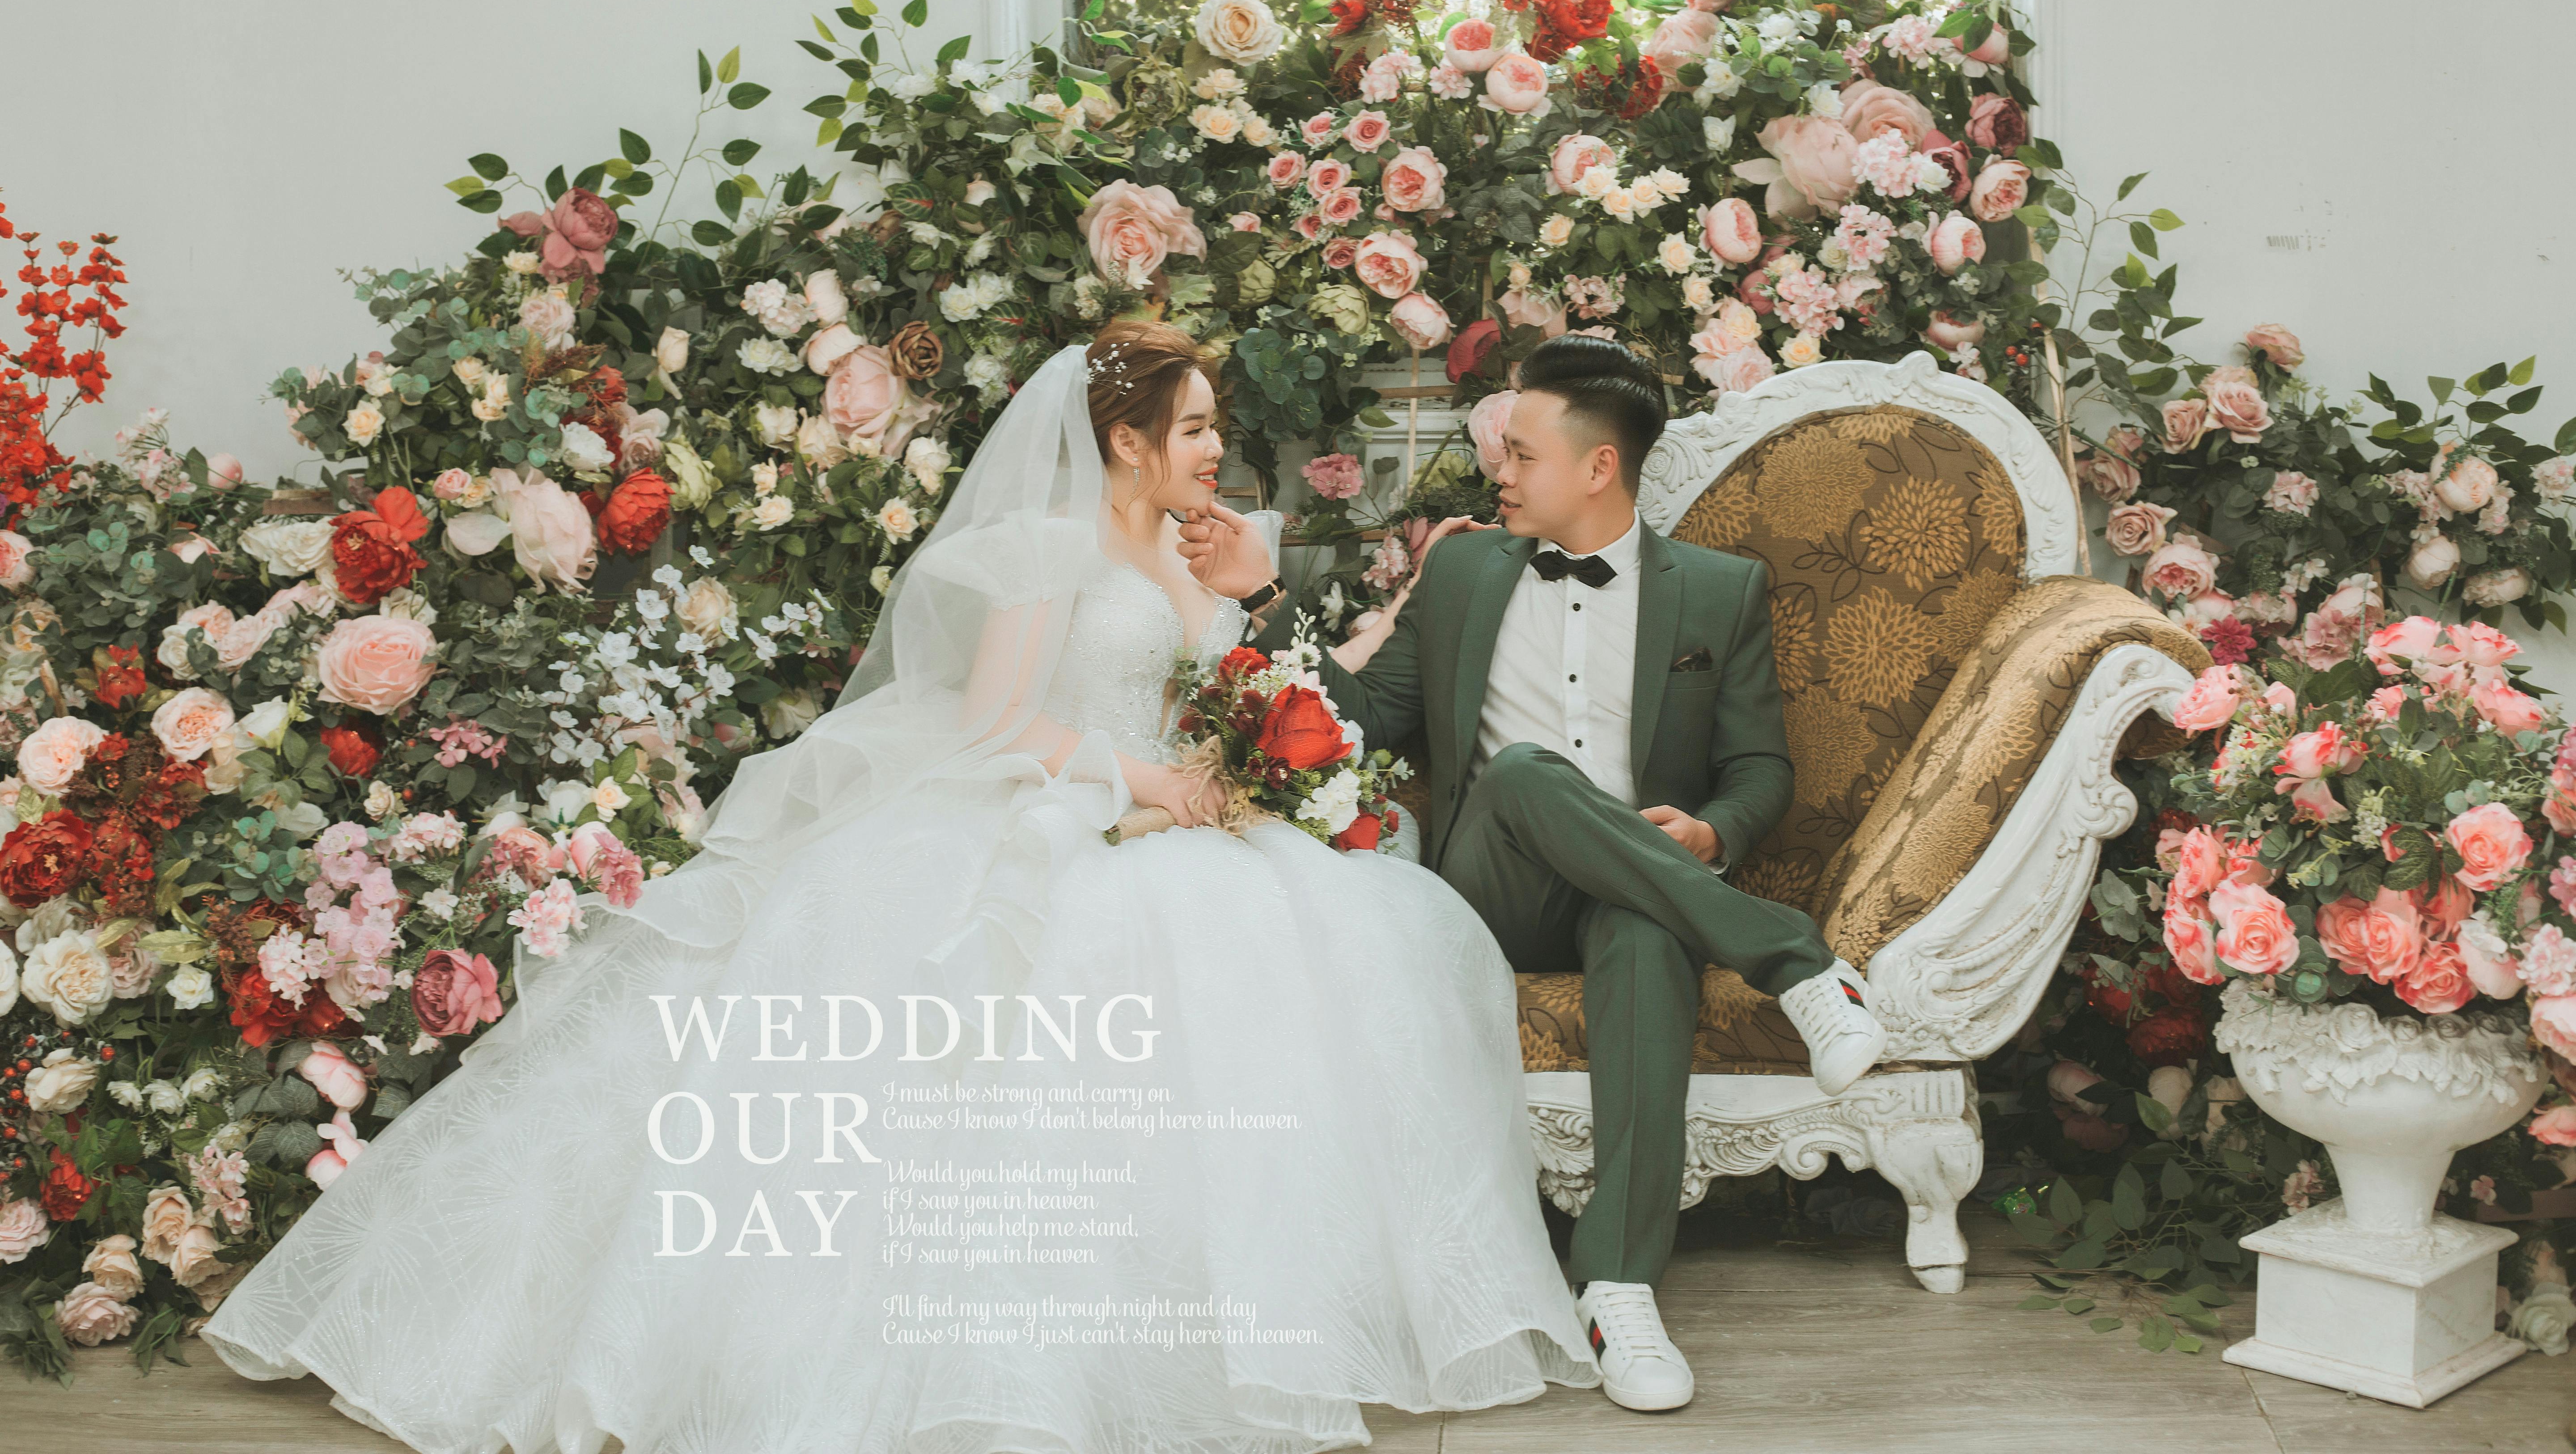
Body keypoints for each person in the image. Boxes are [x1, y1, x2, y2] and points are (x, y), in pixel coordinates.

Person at [200, 321, 1599, 1453]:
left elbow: (1238, 701)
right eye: (1193, 427)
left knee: (1365, 952)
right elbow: (996, 724)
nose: (1215, 447)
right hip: (1058, 827)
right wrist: (1142, 784)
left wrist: (1238, 613)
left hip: (1183, 829)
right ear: (1124, 440)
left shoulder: (1182, 550)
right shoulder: (1048, 550)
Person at [1182, 333, 1886, 1414]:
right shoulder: (1463, 569)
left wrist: (1706, 835)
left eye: (1520, 456)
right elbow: (1363, 726)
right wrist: (1267, 596)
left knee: (1649, 933)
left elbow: (1760, 771)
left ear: (1598, 469)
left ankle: (1618, 1286)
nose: (1498, 474)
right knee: (1521, 772)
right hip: (1489, 892)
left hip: (1636, 887)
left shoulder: (1718, 592)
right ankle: (1796, 963)